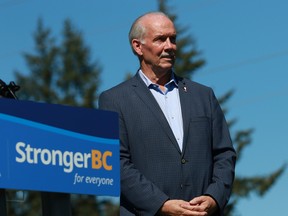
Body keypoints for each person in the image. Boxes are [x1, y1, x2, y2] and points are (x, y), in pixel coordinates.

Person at [99, 12, 236, 216]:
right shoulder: (114, 100)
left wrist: (214, 197)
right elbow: (115, 163)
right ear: (138, 46)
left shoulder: (203, 95)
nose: (169, 46)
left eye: (173, 39)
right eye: (160, 39)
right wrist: (161, 204)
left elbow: (224, 154)